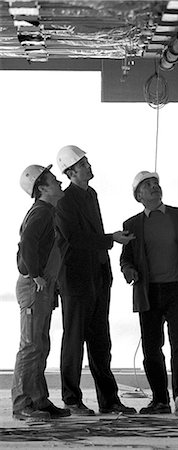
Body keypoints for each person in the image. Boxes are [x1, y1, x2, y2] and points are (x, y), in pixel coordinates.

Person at [55, 145, 136, 416]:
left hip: (97, 275)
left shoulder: (91, 194)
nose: (89, 167)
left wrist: (106, 245)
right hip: (76, 280)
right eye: (84, 164)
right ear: (71, 171)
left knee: (101, 340)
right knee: (75, 339)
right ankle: (71, 399)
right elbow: (74, 240)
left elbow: (91, 235)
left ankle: (109, 400)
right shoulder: (64, 202)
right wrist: (110, 239)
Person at [120, 171, 178, 416]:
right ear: (139, 195)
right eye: (148, 185)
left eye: (156, 183)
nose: (154, 187)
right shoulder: (132, 224)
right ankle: (159, 400)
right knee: (151, 347)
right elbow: (125, 259)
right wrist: (129, 271)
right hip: (149, 292)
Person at [12, 164, 70, 421]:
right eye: (54, 181)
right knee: (31, 346)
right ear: (42, 188)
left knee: (40, 345)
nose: (59, 183)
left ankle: (38, 400)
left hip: (42, 285)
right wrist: (35, 274)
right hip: (34, 285)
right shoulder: (42, 212)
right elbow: (27, 244)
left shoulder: (48, 212)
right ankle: (23, 403)